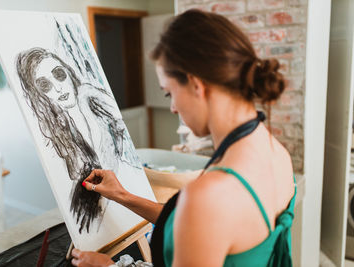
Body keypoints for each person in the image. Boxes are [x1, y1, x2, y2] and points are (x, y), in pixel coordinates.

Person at [71, 9, 296, 267]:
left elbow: (203, 216)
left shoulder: (209, 196)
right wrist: (123, 195)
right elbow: (203, 227)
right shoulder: (276, 152)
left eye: (169, 93)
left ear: (196, 85)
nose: (173, 108)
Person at [16, 48, 140, 233]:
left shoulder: (92, 98)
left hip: (125, 193)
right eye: (45, 85)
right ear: (38, 94)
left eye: (59, 74)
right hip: (97, 207)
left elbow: (117, 152)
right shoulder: (56, 127)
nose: (58, 87)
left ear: (68, 71)